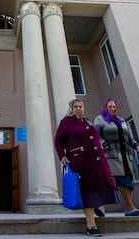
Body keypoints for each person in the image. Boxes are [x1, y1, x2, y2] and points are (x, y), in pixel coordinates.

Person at [55, 99, 120, 237]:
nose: (79, 108)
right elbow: (58, 140)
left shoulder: (87, 121)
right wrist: (62, 156)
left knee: (100, 187)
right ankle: (91, 226)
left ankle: (97, 207)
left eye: (81, 106)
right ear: (71, 108)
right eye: (76, 106)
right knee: (88, 192)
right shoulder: (66, 122)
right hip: (81, 162)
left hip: (97, 162)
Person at [93, 98, 139, 217]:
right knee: (122, 181)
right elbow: (95, 134)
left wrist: (136, 145)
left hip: (126, 156)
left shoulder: (121, 120)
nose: (112, 108)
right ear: (105, 107)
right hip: (112, 156)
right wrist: (105, 145)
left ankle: (127, 207)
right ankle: (130, 207)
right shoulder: (100, 119)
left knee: (128, 181)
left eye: (114, 106)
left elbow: (128, 137)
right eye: (110, 106)